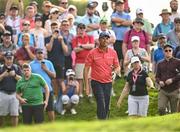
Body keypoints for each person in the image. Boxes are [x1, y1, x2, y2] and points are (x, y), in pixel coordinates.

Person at [84, 32, 120, 119]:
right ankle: (102, 122)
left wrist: (115, 72)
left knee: (106, 105)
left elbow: (117, 67)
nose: (105, 40)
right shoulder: (92, 52)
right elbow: (86, 69)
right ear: (99, 40)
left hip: (108, 82)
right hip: (96, 82)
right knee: (101, 102)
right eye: (103, 38)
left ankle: (103, 121)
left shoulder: (113, 52)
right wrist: (87, 86)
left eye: (107, 38)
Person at [30, 48, 56, 121]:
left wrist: (46, 69)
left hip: (48, 90)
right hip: (36, 91)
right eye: (38, 53)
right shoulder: (31, 64)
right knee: (38, 111)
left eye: (41, 53)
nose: (40, 54)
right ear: (35, 54)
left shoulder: (49, 63)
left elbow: (54, 76)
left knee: (50, 109)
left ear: (44, 54)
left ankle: (53, 127)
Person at [72, 23, 94, 101]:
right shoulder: (75, 38)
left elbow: (92, 46)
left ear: (85, 29)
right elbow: (75, 50)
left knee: (89, 79)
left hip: (89, 61)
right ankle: (80, 95)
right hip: (79, 61)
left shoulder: (90, 37)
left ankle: (90, 94)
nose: (81, 30)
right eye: (80, 28)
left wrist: (81, 46)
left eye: (83, 28)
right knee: (80, 79)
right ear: (77, 29)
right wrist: (86, 46)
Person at [45, 22, 68, 98]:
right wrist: (52, 38)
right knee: (53, 81)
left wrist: (61, 41)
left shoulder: (63, 38)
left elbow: (66, 51)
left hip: (60, 62)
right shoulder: (47, 38)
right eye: (53, 27)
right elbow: (49, 49)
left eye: (56, 27)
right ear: (51, 29)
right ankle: (56, 97)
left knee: (61, 80)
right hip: (51, 62)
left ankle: (65, 98)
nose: (55, 29)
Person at [156, 44, 180, 115]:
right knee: (161, 108)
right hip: (163, 90)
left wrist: (172, 80)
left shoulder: (178, 62)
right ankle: (163, 122)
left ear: (172, 51)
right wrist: (159, 81)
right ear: (163, 52)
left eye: (170, 50)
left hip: (174, 90)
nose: (168, 52)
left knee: (174, 112)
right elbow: (157, 76)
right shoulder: (160, 63)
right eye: (166, 51)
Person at [0, 51, 21, 126]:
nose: (9, 60)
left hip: (14, 94)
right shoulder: (1, 68)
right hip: (2, 93)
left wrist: (14, 75)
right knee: (1, 114)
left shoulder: (16, 67)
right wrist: (3, 75)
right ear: (4, 58)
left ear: (13, 58)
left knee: (15, 114)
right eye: (7, 58)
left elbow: (22, 80)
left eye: (10, 58)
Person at [111, 0, 132, 69]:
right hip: (117, 39)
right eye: (118, 5)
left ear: (123, 6)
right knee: (117, 55)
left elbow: (130, 23)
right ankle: (118, 70)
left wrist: (120, 23)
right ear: (116, 7)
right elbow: (114, 20)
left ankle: (124, 69)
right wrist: (125, 21)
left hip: (126, 39)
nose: (120, 6)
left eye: (121, 5)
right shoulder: (113, 14)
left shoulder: (127, 15)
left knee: (125, 55)